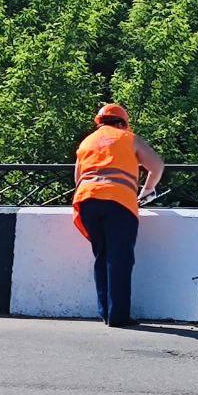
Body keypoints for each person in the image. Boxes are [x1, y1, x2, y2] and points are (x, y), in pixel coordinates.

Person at [72, 104, 165, 328]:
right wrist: (147, 191)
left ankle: (105, 312)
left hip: (87, 201)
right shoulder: (128, 138)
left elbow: (77, 178)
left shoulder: (86, 142)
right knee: (120, 258)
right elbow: (157, 165)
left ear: (99, 122)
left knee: (102, 256)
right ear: (123, 122)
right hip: (119, 203)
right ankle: (119, 316)